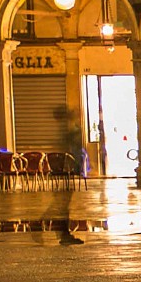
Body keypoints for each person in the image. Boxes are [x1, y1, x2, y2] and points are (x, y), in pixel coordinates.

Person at [47, 103, 86, 243]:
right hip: (65, 170)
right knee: (63, 202)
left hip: (64, 169)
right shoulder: (68, 129)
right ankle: (63, 233)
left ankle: (63, 232)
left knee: (62, 202)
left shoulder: (65, 129)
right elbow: (71, 149)